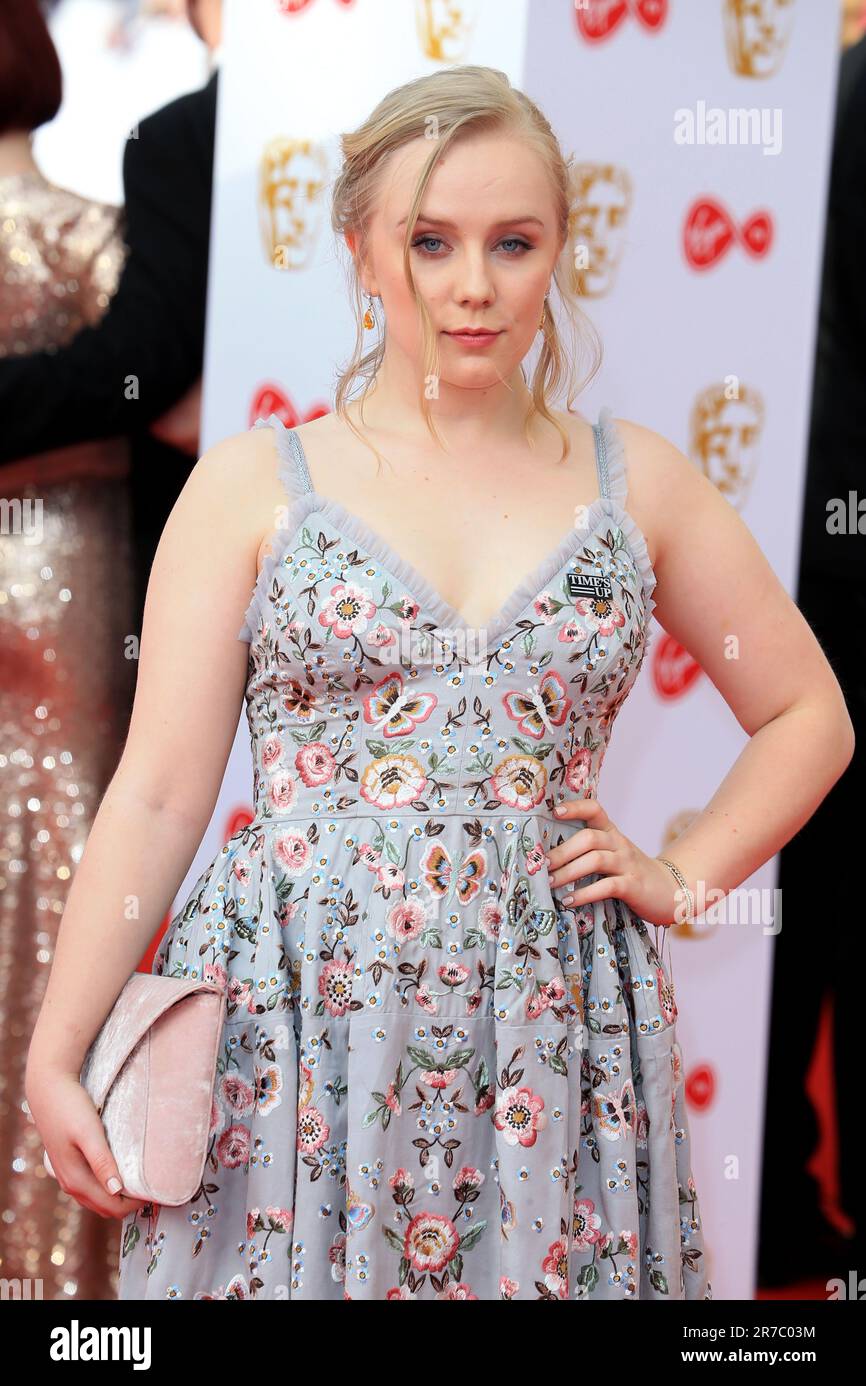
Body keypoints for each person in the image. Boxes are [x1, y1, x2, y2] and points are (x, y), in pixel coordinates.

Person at [26, 66, 854, 1302]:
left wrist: (682, 877)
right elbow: (153, 799)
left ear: (558, 250)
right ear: (362, 251)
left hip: (554, 1020)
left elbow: (808, 714)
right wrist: (56, 1048)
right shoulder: (256, 485)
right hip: (296, 1021)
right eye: (429, 241)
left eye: (512, 242)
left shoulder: (640, 483)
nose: (473, 285)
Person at [0, 0, 136, 1301]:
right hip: (73, 563)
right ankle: (64, 1265)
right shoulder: (93, 229)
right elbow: (153, 396)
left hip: (58, 558)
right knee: (70, 857)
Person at [0, 0, 223, 634]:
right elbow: (166, 399)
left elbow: (146, 374)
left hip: (83, 572)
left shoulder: (156, 173)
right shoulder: (103, 235)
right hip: (91, 571)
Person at [757, 31, 866, 1289]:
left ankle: (786, 1198)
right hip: (840, 537)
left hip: (820, 527)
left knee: (804, 895)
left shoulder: (821, 83)